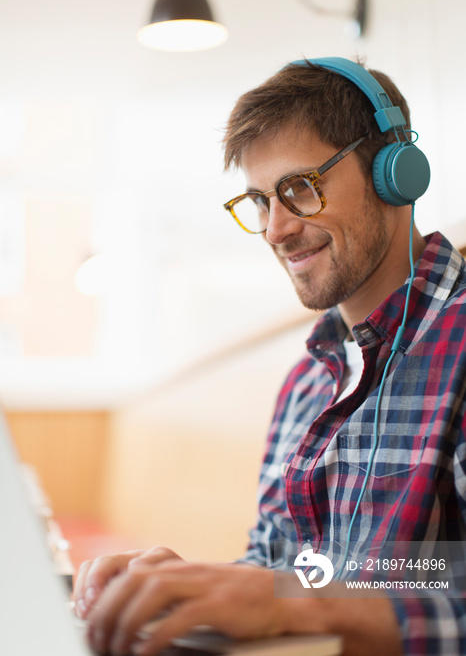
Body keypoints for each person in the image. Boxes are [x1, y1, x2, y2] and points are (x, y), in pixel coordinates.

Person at [72, 58, 466, 656]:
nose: (276, 230)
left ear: (395, 173)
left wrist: (300, 602)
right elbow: (286, 572)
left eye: (300, 188)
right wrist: (192, 591)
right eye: (259, 200)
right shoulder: (307, 383)